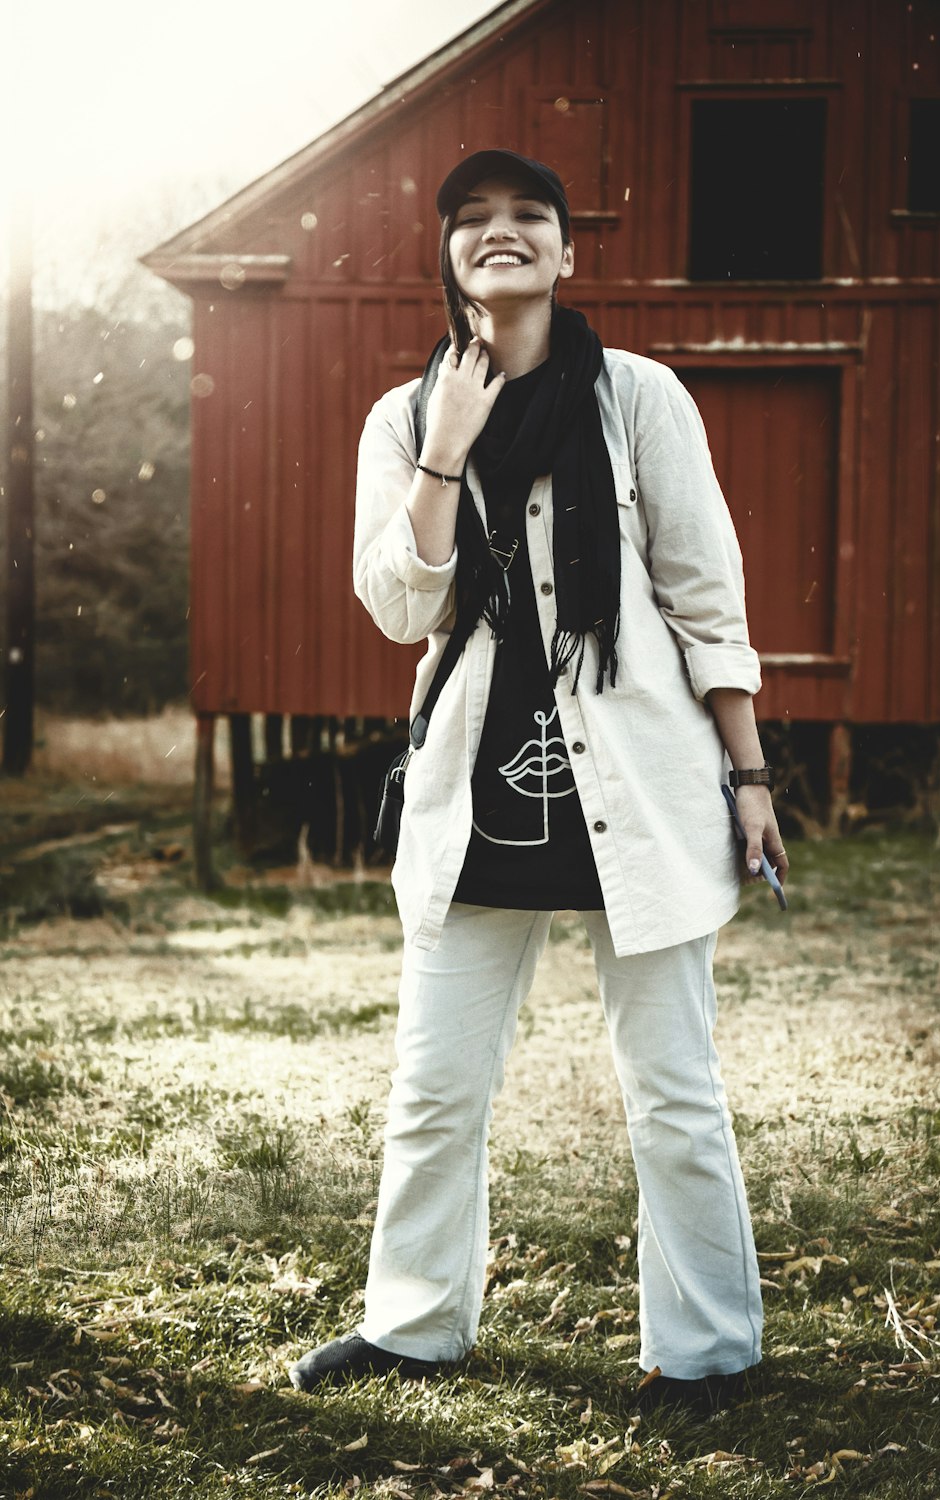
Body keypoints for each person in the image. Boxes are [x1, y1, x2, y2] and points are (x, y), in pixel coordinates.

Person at [290, 149, 788, 1416]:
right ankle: (411, 1325)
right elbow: (401, 608)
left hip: (646, 781)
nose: (501, 234)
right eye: (473, 220)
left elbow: (703, 595)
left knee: (672, 1090)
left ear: (568, 253)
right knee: (435, 1083)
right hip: (477, 791)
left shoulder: (639, 397)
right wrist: (445, 455)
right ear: (447, 255)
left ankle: (709, 1351)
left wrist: (748, 773)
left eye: (529, 218)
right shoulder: (402, 417)